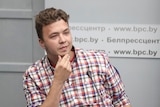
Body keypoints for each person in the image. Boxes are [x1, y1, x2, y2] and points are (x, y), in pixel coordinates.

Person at [23, 7, 131, 107]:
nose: (63, 40)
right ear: (42, 43)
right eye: (54, 36)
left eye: (66, 33)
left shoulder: (98, 60)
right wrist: (58, 81)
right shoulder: (33, 75)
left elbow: (121, 102)